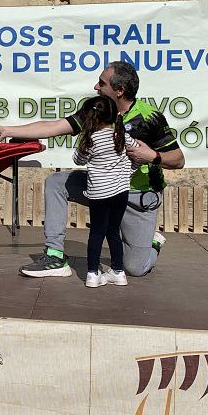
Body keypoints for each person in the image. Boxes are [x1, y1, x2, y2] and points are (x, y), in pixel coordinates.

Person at [0, 61, 184, 278]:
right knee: (56, 182)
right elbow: (52, 127)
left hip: (136, 196)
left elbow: (178, 159)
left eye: (101, 83)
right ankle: (55, 256)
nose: (95, 87)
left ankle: (151, 243)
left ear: (119, 90)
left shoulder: (149, 117)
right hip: (101, 187)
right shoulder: (96, 110)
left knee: (135, 268)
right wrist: (5, 130)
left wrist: (152, 156)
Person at [70, 95, 139, 288]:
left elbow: (78, 160)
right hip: (121, 192)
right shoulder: (121, 136)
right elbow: (138, 154)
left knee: (97, 233)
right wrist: (129, 171)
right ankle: (118, 272)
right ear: (114, 114)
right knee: (113, 232)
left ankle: (92, 273)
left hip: (99, 193)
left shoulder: (90, 139)